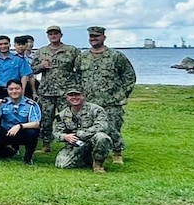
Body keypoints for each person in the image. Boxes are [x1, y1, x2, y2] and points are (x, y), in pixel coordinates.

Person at [75, 26, 136, 164]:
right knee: (88, 128)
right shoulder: (82, 57)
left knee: (113, 127)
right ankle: (92, 152)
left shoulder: (116, 56)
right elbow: (77, 76)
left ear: (104, 37)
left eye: (96, 36)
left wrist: (122, 94)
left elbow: (129, 76)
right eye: (91, 36)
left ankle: (117, 153)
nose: (93, 39)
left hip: (111, 100)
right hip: (89, 101)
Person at [34, 25, 80, 153]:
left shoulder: (71, 50)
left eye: (55, 33)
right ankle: (46, 144)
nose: (53, 36)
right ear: (47, 36)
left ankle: (72, 143)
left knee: (68, 119)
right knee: (45, 119)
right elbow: (32, 69)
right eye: (50, 34)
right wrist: (41, 66)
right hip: (46, 92)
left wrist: (76, 86)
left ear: (61, 35)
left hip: (65, 92)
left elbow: (80, 69)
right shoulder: (41, 51)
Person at [53, 88, 113, 174]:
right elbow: (56, 132)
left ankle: (98, 165)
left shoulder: (96, 110)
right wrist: (65, 137)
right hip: (76, 145)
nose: (74, 97)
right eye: (71, 95)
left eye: (77, 95)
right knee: (62, 164)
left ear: (83, 96)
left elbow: (102, 126)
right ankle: (87, 159)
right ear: (67, 98)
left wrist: (81, 134)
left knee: (102, 137)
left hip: (93, 141)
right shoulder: (62, 115)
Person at [0, 80, 41, 164]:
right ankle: (9, 151)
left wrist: (19, 126)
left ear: (22, 89)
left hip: (22, 131)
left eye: (17, 89)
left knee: (32, 133)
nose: (14, 91)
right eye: (11, 89)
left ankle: (28, 158)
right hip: (6, 131)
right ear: (7, 90)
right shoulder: (3, 103)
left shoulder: (31, 104)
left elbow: (36, 124)